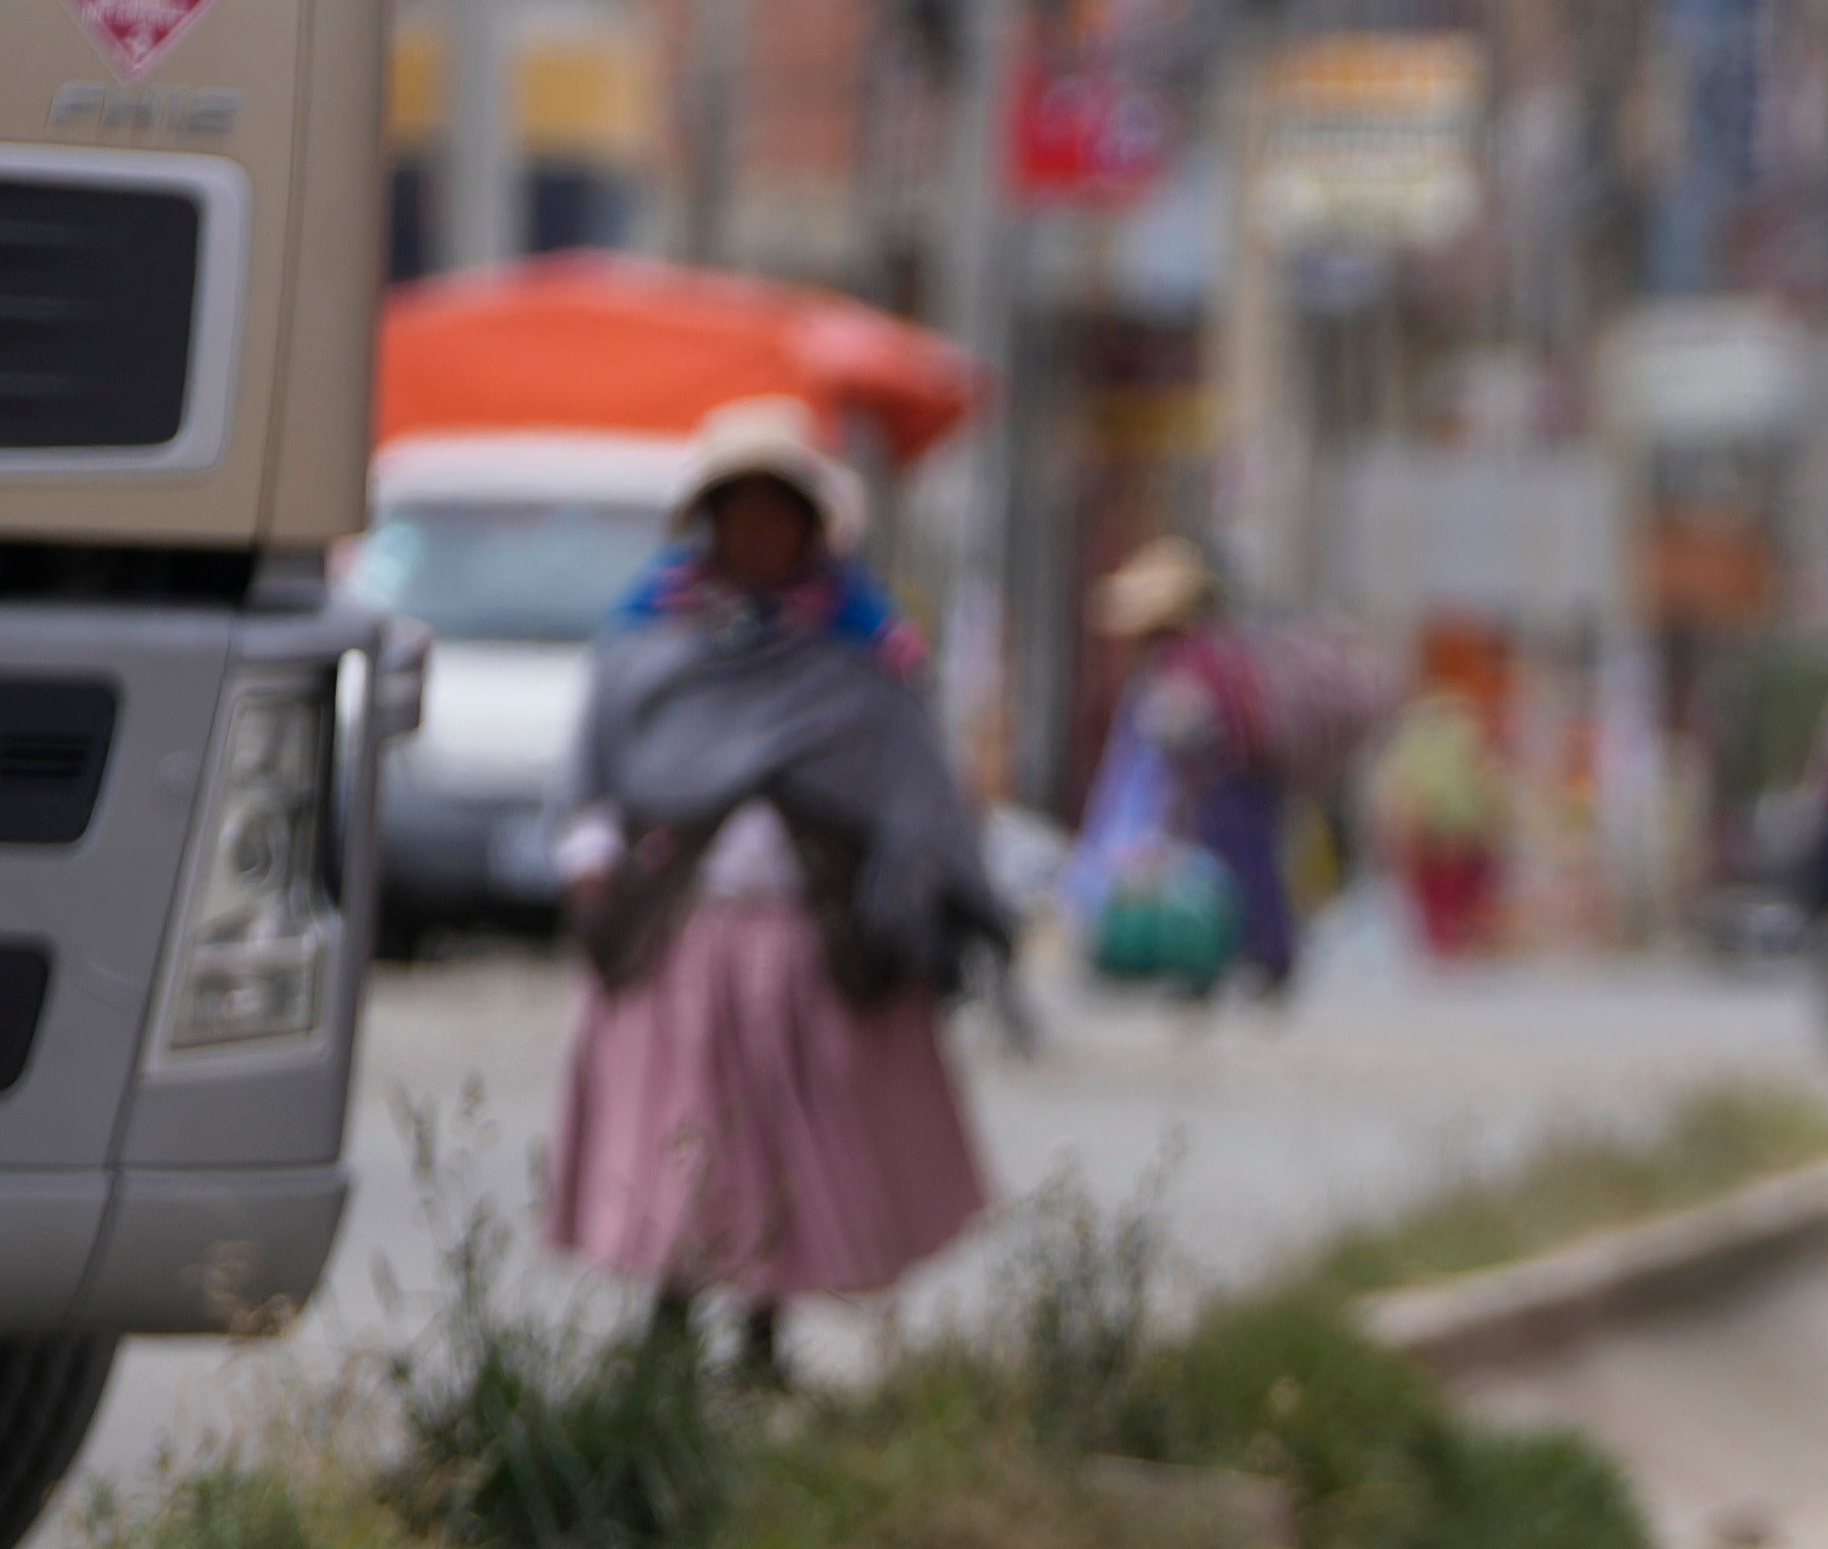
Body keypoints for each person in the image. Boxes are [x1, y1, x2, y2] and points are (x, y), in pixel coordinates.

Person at [543, 400, 1011, 1369]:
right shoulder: (646, 644)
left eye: (778, 511)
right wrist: (589, 870)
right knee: (680, 1133)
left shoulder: (862, 654)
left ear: (808, 527)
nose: (759, 532)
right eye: (739, 510)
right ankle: (666, 1324)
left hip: (808, 942)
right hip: (676, 938)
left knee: (782, 1138)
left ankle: (763, 1333)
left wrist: (919, 894)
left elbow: (916, 791)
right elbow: (589, 781)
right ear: (710, 523)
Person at [1072, 539, 1301, 1007]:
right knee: (1245, 872)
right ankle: (1253, 960)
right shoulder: (1220, 648)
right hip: (1240, 779)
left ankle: (1234, 962)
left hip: (1222, 782)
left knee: (1225, 876)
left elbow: (1177, 731)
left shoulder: (1187, 658)